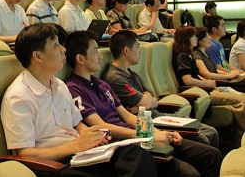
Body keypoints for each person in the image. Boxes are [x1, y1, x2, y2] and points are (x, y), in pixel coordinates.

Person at [1, 23, 157, 177]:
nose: (63, 50)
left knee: (135, 155)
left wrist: (89, 134)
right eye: (56, 45)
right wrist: (76, 145)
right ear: (37, 56)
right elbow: (25, 153)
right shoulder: (19, 97)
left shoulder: (59, 85)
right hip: (55, 166)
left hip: (79, 154)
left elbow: (77, 123)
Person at [65, 31, 222, 177]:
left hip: (138, 136)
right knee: (189, 173)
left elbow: (127, 116)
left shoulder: (101, 84)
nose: (100, 57)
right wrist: (148, 135)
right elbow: (101, 127)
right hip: (123, 145)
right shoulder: (74, 89)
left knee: (211, 155)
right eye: (95, 51)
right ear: (80, 58)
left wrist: (160, 132)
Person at [104, 30, 219, 148]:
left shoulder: (132, 73)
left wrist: (147, 101)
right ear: (126, 51)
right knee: (205, 136)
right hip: (148, 123)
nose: (140, 52)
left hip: (157, 115)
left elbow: (153, 100)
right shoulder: (115, 78)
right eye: (137, 47)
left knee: (210, 131)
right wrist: (147, 100)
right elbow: (147, 102)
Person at [173, 26, 245, 141]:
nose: (196, 38)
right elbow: (187, 80)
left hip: (205, 88)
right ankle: (242, 139)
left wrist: (207, 82)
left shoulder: (189, 54)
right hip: (201, 92)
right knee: (242, 100)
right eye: (193, 36)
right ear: (187, 38)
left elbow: (197, 75)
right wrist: (208, 83)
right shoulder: (183, 56)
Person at [192, 27, 245, 91]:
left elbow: (215, 70)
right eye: (206, 37)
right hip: (215, 85)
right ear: (199, 40)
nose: (209, 38)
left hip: (221, 80)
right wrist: (229, 76)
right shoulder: (196, 55)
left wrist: (230, 73)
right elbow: (206, 74)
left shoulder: (204, 52)